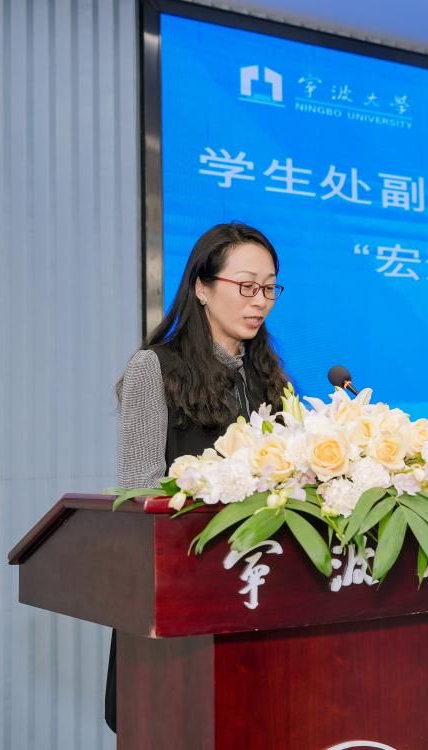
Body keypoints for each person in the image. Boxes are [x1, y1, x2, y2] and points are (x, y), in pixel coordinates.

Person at [105, 222, 289, 733]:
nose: (260, 301)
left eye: (269, 287)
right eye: (246, 286)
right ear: (202, 288)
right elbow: (139, 492)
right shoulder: (155, 368)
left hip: (256, 589)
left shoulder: (268, 376)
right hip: (182, 591)